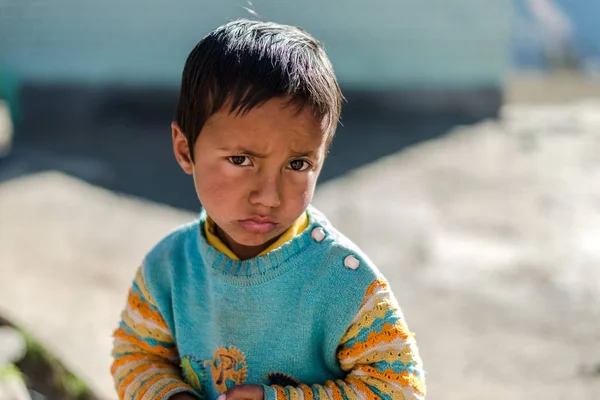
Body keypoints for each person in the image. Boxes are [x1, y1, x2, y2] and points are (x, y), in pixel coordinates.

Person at [110, 19, 426, 400]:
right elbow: (135, 355)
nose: (269, 196)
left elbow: (400, 388)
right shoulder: (168, 269)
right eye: (241, 159)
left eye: (297, 165)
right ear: (185, 149)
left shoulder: (346, 284)